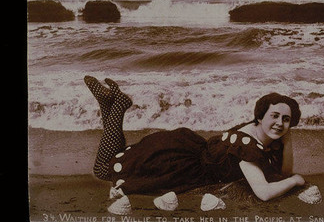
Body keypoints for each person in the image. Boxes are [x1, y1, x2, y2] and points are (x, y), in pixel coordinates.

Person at [84, 75, 306, 208]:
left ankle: (109, 104)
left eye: (286, 119)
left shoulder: (259, 132)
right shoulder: (247, 147)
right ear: (259, 116)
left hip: (186, 149)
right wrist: (295, 181)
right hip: (179, 163)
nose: (279, 123)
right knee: (104, 169)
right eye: (274, 116)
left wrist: (287, 136)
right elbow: (265, 193)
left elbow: (282, 170)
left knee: (118, 157)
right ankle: (118, 106)